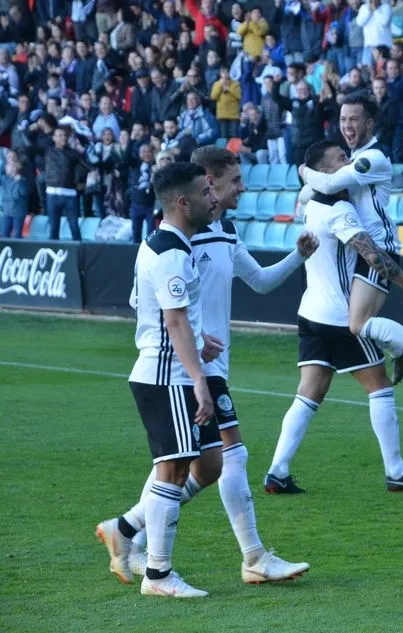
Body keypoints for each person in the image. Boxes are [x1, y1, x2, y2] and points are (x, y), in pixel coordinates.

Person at [119, 147, 314, 585]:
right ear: (205, 185)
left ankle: (128, 528)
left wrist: (299, 255)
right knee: (219, 458)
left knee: (203, 465)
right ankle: (247, 558)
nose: (239, 189)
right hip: (187, 368)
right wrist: (194, 358)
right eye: (230, 183)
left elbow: (260, 282)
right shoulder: (175, 242)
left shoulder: (219, 233)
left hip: (204, 360)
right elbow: (154, 307)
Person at [289, 95, 403, 480]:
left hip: (382, 250)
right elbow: (313, 193)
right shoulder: (349, 157)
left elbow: (324, 182)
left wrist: (302, 170)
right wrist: (307, 185)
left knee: (358, 325)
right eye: (343, 119)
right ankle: (400, 349)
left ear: (371, 122)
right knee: (358, 325)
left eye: (355, 119)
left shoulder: (373, 158)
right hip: (365, 253)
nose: (347, 125)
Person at [265, 140, 403, 493]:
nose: (348, 162)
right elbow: (373, 255)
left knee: (309, 393)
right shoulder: (339, 212)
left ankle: (277, 472)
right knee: (380, 389)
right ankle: (396, 471)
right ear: (326, 172)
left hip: (309, 312)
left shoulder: (311, 204)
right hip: (338, 317)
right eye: (340, 159)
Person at [94, 161, 217, 599]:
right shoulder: (170, 251)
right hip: (168, 374)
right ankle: (159, 576)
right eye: (206, 192)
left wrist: (193, 344)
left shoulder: (156, 243)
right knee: (173, 468)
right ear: (183, 202)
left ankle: (125, 532)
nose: (214, 197)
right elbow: (174, 320)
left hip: (163, 369)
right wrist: (199, 377)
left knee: (184, 465)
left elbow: (140, 302)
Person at [43, 125, 90, 241]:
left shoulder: (73, 153)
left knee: (74, 227)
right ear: (54, 138)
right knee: (54, 228)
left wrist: (80, 181)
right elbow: (29, 147)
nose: (62, 138)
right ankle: (53, 255)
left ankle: (79, 255)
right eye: (59, 135)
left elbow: (86, 166)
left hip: (70, 194)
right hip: (52, 194)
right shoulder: (48, 151)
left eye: (64, 135)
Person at [129, 143, 157, 243]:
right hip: (136, 204)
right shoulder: (135, 165)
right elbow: (127, 156)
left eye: (149, 151)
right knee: (136, 233)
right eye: (143, 152)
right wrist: (132, 140)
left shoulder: (156, 165)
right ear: (139, 153)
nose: (146, 154)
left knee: (151, 234)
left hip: (151, 206)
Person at [0, 155, 28, 239]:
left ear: (14, 168)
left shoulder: (22, 180)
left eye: (9, 166)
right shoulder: (4, 179)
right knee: (4, 234)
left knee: (17, 235)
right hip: (6, 211)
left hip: (18, 212)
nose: (6, 168)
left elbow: (23, 193)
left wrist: (19, 182)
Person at [211, 68, 242, 139]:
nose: (224, 74)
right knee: (223, 136)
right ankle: (223, 150)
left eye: (226, 72)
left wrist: (229, 88)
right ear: (220, 74)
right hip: (222, 115)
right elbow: (213, 97)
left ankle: (235, 150)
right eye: (222, 72)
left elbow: (239, 96)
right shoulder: (217, 84)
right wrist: (220, 85)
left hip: (234, 114)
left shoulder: (236, 83)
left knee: (234, 135)